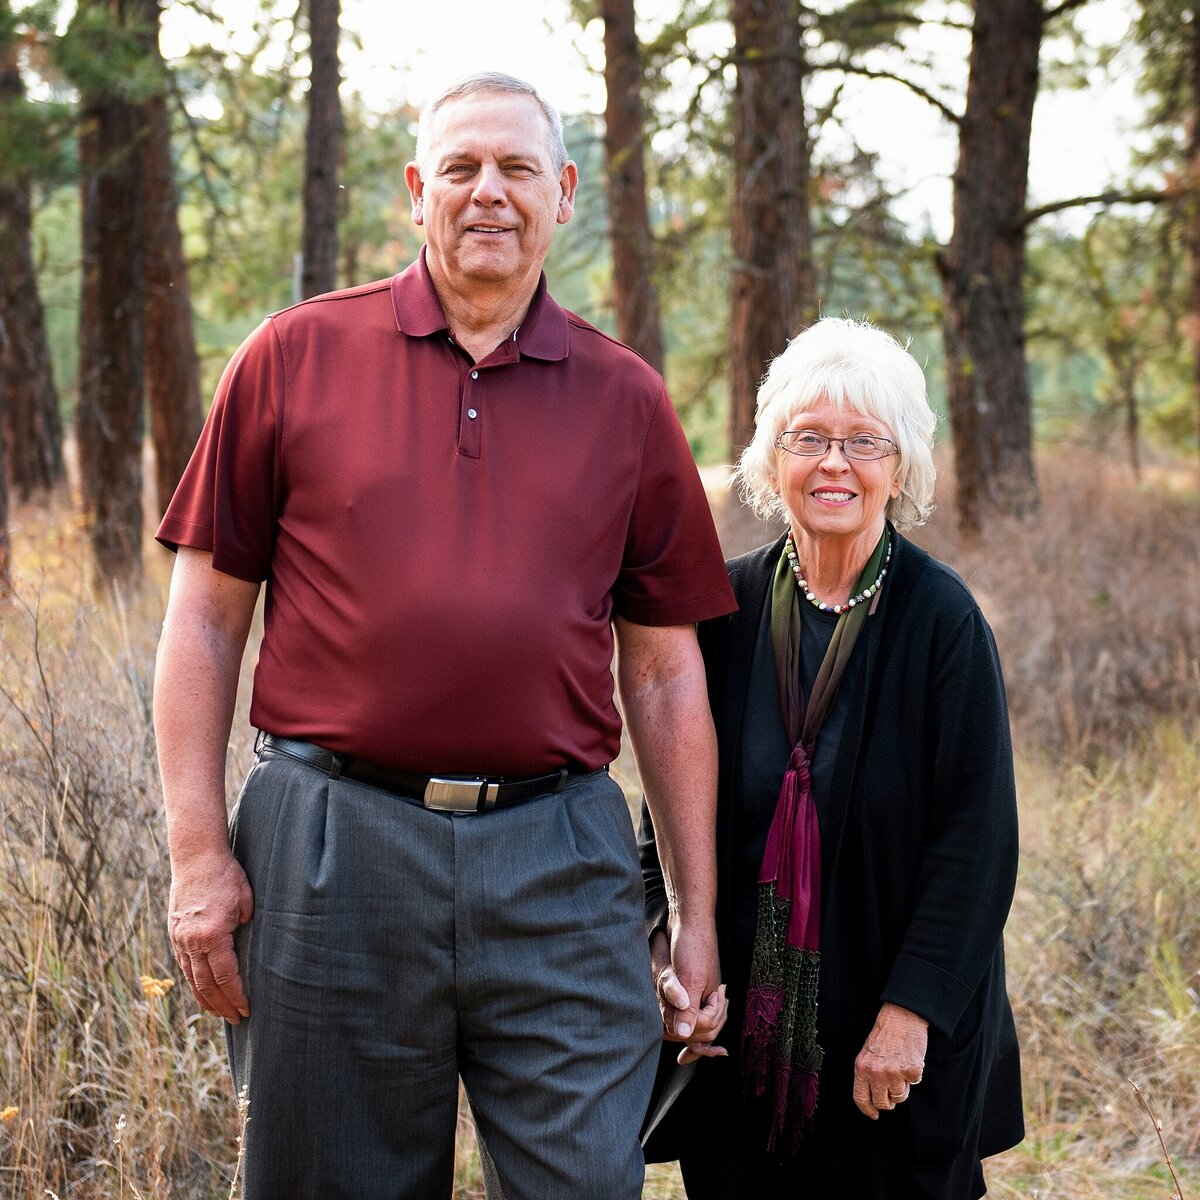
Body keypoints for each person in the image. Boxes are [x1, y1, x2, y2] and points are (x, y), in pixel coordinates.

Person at [153, 71, 735, 1200]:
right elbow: (203, 624)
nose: (489, 194)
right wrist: (195, 858)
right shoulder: (291, 358)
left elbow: (665, 678)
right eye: (461, 169)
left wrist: (696, 916)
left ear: (563, 193)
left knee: (585, 1181)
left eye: (518, 169)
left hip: (562, 858)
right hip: (332, 850)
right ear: (416, 192)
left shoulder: (627, 400)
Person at [640, 317, 1023, 1198]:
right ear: (774, 458)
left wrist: (911, 1014)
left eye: (863, 442)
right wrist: (666, 946)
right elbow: (665, 803)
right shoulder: (723, 606)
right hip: (742, 1039)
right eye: (808, 439)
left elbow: (978, 843)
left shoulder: (942, 623)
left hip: (884, 1046)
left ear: (903, 465)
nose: (835, 465)